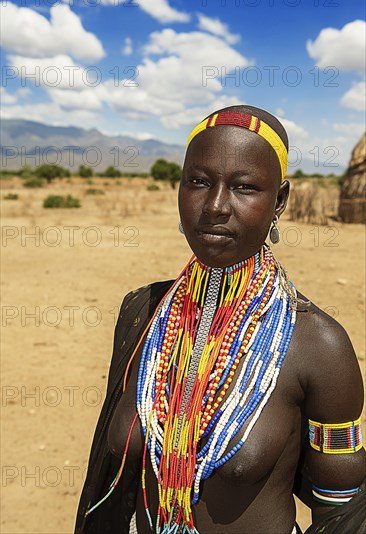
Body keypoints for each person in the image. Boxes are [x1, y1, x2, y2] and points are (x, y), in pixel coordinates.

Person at [75, 105, 366, 534]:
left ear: (279, 201)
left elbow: (342, 511)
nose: (214, 206)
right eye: (198, 182)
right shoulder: (142, 313)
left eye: (245, 187)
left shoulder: (319, 345)